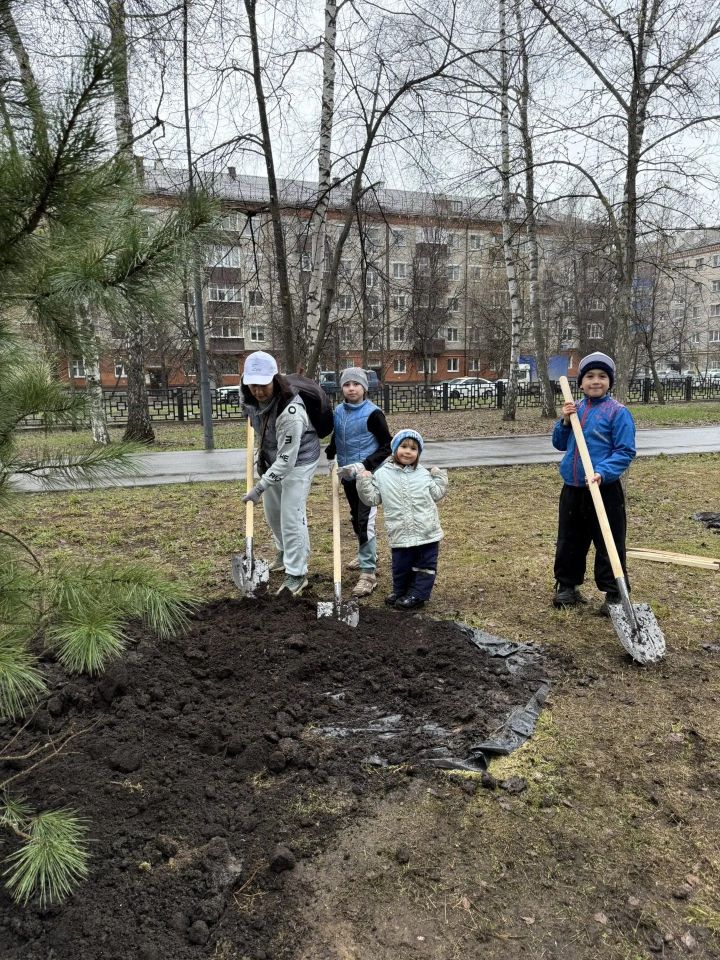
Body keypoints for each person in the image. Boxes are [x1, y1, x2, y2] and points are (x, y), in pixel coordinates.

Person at [551, 351, 637, 615]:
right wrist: (565, 422)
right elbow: (558, 443)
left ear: (609, 381)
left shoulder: (618, 413)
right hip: (574, 487)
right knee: (569, 539)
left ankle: (613, 594)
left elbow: (625, 451)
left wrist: (603, 472)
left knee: (608, 540)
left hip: (604, 487)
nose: (595, 381)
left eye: (602, 376)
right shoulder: (574, 409)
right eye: (589, 376)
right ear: (581, 382)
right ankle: (567, 586)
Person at [241, 350, 320, 597]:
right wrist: (261, 459)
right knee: (273, 513)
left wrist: (259, 487)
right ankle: (284, 553)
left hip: (299, 460)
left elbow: (287, 460)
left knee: (290, 516)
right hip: (272, 458)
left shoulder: (292, 411)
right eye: (253, 385)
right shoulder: (249, 399)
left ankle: (297, 574)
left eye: (263, 385)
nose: (258, 391)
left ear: (275, 380)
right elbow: (259, 428)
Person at [356, 429, 448, 611]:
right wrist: (364, 481)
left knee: (424, 566)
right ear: (394, 449)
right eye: (403, 446)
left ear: (418, 453)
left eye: (413, 449)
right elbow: (372, 499)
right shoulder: (382, 475)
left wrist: (440, 477)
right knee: (401, 565)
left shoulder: (422, 474)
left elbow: (436, 494)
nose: (408, 451)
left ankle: (417, 595)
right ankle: (400, 591)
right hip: (400, 530)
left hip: (426, 531)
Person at [324, 367, 392, 598]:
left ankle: (368, 573)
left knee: (366, 520)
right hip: (346, 473)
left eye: (356, 384)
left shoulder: (374, 414)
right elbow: (338, 435)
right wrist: (331, 452)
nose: (351, 388)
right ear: (341, 388)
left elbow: (387, 446)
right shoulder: (339, 411)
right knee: (356, 517)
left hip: (367, 477)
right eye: (347, 384)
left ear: (365, 387)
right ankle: (366, 553)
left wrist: (365, 465)